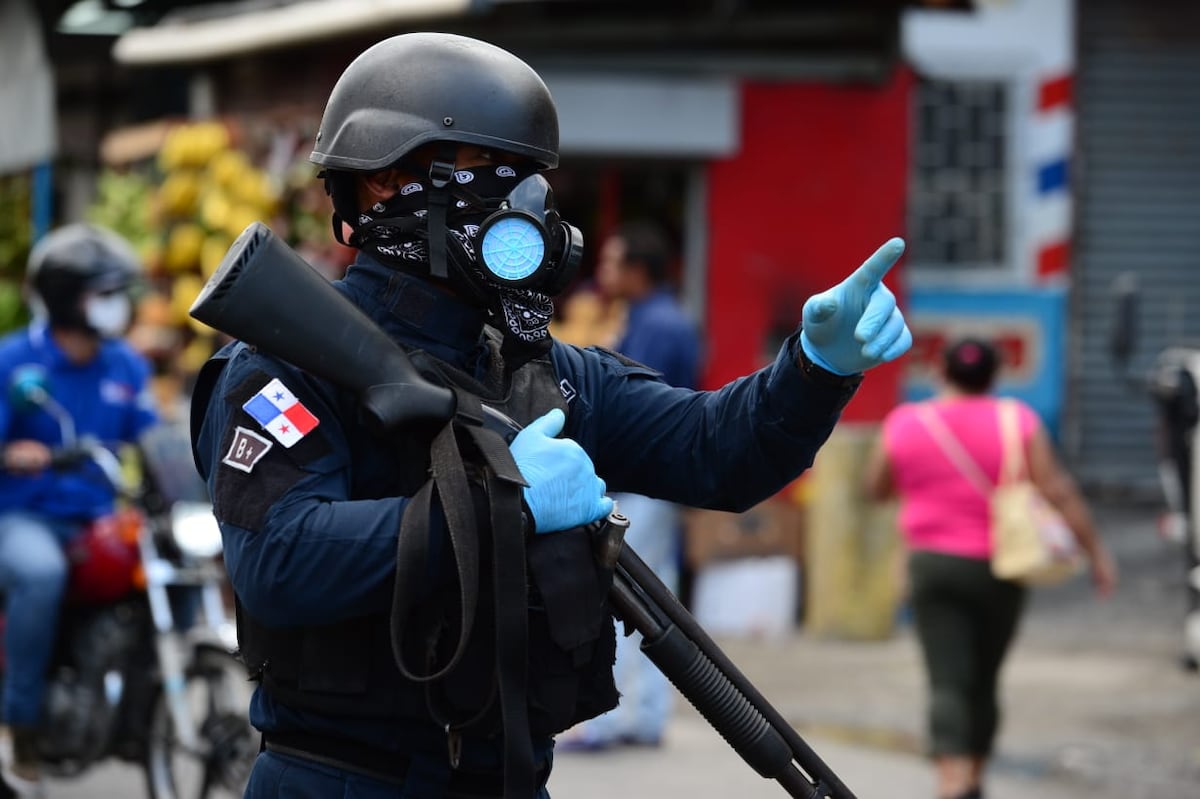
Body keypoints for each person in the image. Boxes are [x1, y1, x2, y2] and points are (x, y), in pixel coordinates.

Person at [190, 31, 913, 799]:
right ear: (385, 182)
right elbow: (281, 560)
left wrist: (814, 368)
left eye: (530, 178)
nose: (526, 205)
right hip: (341, 779)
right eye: (490, 174)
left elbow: (718, 452)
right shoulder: (284, 365)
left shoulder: (542, 370)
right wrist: (498, 505)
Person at [862, 336, 1118, 799]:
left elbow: (875, 488)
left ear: (941, 371)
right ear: (995, 375)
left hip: (932, 566)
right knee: (984, 676)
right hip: (1002, 566)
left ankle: (950, 781)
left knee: (947, 677)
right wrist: (1096, 554)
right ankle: (974, 776)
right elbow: (1058, 490)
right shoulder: (1017, 422)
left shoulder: (905, 423)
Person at [0, 223, 158, 796]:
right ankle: (21, 722)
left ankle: (140, 715)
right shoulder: (15, 362)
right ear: (69, 297)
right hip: (24, 516)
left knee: (164, 559)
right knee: (41, 573)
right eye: (104, 292)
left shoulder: (126, 366)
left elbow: (154, 440)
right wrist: (12, 453)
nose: (118, 307)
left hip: (97, 515)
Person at [560, 220, 700, 751]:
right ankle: (644, 718)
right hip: (653, 483)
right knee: (654, 595)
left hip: (643, 481)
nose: (604, 272)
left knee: (623, 597)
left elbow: (634, 411)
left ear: (638, 271)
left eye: (613, 262)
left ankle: (612, 719)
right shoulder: (650, 317)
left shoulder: (658, 326)